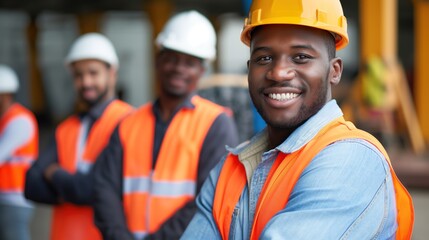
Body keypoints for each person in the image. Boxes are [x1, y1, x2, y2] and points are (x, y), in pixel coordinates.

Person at [182, 0, 415, 239]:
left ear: (334, 71)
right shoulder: (230, 168)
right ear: (249, 69)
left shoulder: (352, 159)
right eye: (264, 59)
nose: (279, 72)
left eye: (301, 57)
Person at [92, 10, 239, 240]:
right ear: (158, 60)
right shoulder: (128, 124)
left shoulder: (216, 124)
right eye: (172, 58)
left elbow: (210, 198)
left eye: (189, 62)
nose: (178, 68)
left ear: (202, 70)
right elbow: (105, 189)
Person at [24, 33, 134, 240]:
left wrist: (53, 173)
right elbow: (31, 185)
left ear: (112, 73)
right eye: (78, 75)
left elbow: (89, 189)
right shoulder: (66, 128)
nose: (86, 82)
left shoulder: (129, 122)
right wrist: (74, 188)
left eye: (93, 73)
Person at [0, 65, 38, 240]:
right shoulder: (5, 120)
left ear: (5, 95)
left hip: (16, 199)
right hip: (6, 198)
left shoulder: (20, 120)